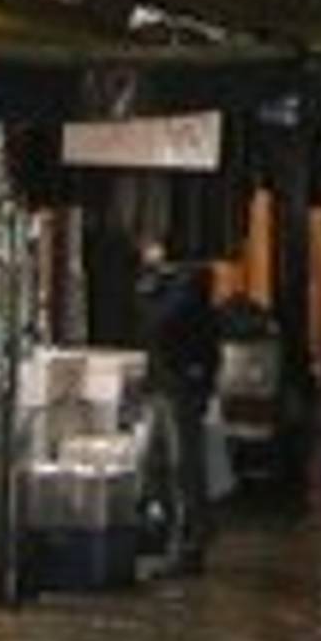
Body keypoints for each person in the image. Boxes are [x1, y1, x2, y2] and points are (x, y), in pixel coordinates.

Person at [136, 245, 223, 575]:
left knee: (180, 465)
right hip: (169, 385)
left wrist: (150, 290)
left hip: (179, 387)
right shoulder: (179, 288)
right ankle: (180, 535)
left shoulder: (185, 289)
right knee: (158, 464)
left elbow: (160, 324)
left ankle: (189, 542)